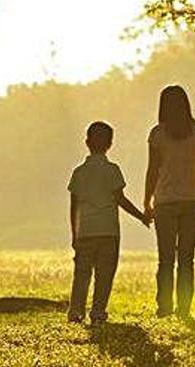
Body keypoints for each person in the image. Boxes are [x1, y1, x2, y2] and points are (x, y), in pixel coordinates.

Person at [67, 121, 150, 324]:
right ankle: (98, 311)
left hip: (85, 230)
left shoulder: (79, 172)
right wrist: (141, 216)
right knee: (104, 274)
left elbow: (74, 206)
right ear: (110, 144)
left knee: (82, 273)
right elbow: (120, 200)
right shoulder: (113, 170)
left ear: (87, 142)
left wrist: (74, 234)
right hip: (108, 231)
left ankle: (76, 311)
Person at [143, 85, 195, 318]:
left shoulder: (158, 134)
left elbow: (153, 170)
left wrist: (146, 201)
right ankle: (184, 308)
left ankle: (164, 308)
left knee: (165, 260)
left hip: (165, 200)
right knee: (187, 259)